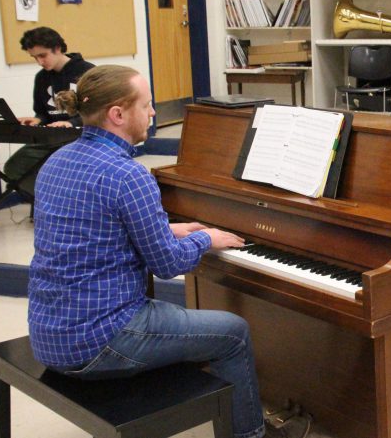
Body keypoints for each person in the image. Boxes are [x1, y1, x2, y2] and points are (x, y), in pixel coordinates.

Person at [28, 65, 266, 438]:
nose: (154, 113)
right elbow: (168, 263)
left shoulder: (57, 161)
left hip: (49, 334)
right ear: (118, 114)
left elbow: (92, 231)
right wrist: (208, 239)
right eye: (147, 105)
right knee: (234, 333)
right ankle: (251, 433)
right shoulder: (129, 175)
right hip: (101, 340)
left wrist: (166, 229)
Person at [4, 27, 94, 197]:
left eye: (42, 55)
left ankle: (69, 200)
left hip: (81, 135)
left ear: (58, 49)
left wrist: (71, 122)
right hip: (52, 136)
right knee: (14, 166)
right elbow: (43, 112)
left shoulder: (87, 71)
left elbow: (98, 110)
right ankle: (52, 199)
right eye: (34, 57)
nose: (39, 62)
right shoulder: (41, 77)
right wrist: (37, 120)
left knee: (66, 167)